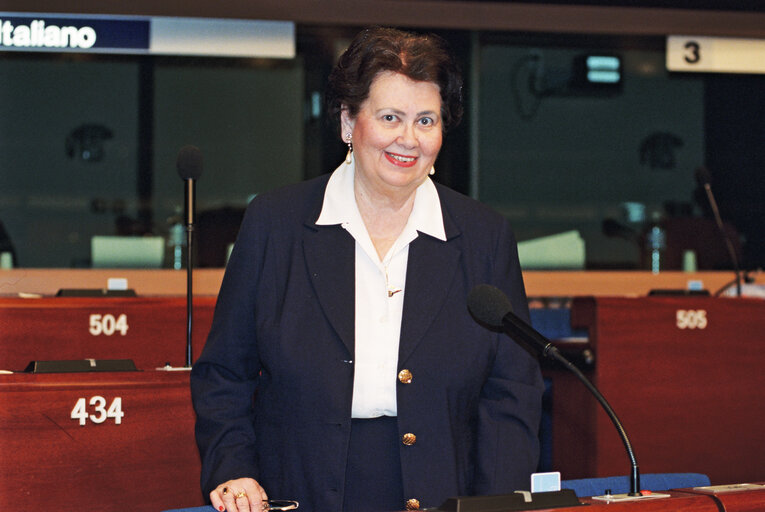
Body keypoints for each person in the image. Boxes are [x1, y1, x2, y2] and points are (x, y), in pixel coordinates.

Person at [191, 26, 544, 512]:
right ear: (347, 123)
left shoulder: (484, 236)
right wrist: (233, 468)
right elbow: (224, 373)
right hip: (299, 486)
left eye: (426, 120)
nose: (409, 138)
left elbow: (512, 393)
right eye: (390, 117)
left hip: (444, 489)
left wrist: (502, 503)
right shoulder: (276, 223)